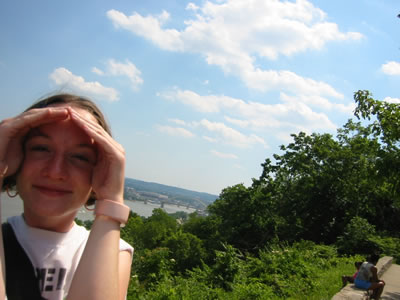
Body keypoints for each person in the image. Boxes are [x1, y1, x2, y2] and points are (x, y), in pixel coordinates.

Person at [0, 93, 133, 300]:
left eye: (80, 157)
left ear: (99, 170)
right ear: (16, 156)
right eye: (41, 148)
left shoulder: (114, 254)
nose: (55, 171)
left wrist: (111, 200)